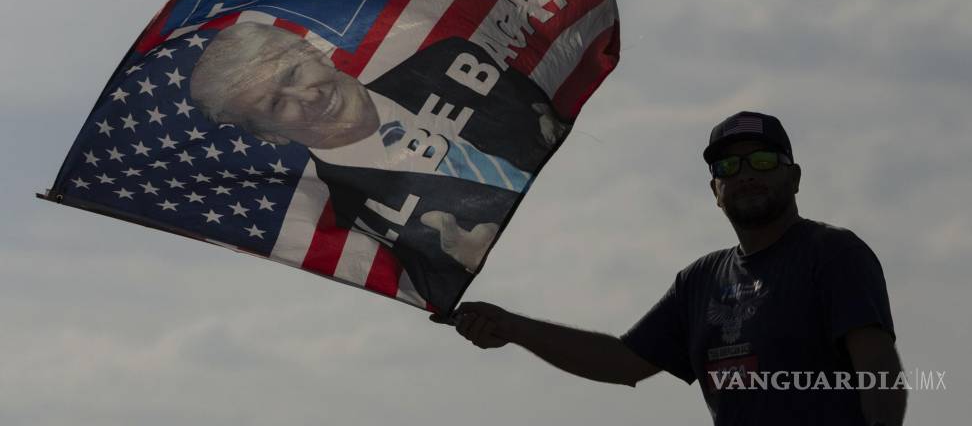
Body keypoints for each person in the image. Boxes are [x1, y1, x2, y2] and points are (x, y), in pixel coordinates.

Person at [434, 111, 907, 426]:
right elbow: (623, 362)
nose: (745, 174)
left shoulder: (834, 253)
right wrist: (513, 327)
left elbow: (879, 370)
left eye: (762, 160)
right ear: (714, 191)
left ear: (795, 176)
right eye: (728, 167)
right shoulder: (699, 281)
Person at [189, 21, 569, 310]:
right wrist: (478, 270)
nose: (308, 96)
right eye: (275, 104)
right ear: (271, 136)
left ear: (317, 55)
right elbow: (459, 305)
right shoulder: (349, 221)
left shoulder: (453, 64)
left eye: (293, 74)